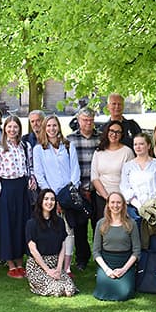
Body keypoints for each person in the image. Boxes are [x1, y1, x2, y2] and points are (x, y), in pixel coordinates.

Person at [33, 115, 82, 277]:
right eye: (48, 126)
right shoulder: (39, 149)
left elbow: (75, 171)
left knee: (69, 231)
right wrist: (52, 197)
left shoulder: (68, 146)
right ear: (44, 128)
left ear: (59, 127)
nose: (52, 129)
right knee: (53, 230)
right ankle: (53, 264)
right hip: (50, 197)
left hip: (68, 196)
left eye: (54, 126)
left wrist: (68, 194)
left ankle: (67, 267)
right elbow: (40, 175)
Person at [0, 115, 33, 277]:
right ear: (5, 128)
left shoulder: (25, 146)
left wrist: (31, 179)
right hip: (7, 188)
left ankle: (20, 262)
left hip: (22, 187)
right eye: (9, 127)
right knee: (8, 224)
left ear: (19, 129)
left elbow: (30, 166)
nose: (12, 130)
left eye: (15, 127)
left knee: (22, 223)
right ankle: (10, 263)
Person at [25, 189, 77, 296]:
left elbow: (63, 246)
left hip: (55, 262)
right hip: (37, 265)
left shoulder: (59, 222)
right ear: (40, 202)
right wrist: (47, 270)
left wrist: (58, 268)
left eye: (52, 199)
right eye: (46, 199)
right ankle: (35, 284)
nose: (49, 202)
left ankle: (53, 280)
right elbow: (33, 250)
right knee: (57, 290)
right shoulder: (31, 223)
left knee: (69, 290)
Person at [92, 192, 142, 301]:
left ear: (124, 205)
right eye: (113, 202)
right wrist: (107, 270)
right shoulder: (101, 224)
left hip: (125, 263)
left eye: (119, 202)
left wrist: (124, 269)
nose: (115, 205)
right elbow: (96, 251)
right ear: (108, 205)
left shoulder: (131, 224)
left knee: (124, 292)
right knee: (103, 291)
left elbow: (136, 251)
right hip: (106, 263)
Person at [68, 107, 101, 271]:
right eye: (84, 120)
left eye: (90, 120)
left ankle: (99, 257)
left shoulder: (100, 139)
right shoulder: (70, 140)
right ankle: (82, 258)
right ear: (78, 120)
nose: (88, 123)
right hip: (79, 191)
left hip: (97, 190)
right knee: (80, 228)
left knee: (99, 226)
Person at [120, 133, 156, 236]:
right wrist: (139, 206)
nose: (138, 147)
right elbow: (125, 188)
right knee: (138, 242)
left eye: (141, 144)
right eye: (135, 144)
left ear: (148, 146)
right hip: (135, 209)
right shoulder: (128, 166)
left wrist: (153, 203)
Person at [90, 120, 134, 221]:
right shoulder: (99, 152)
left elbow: (131, 178)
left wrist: (116, 199)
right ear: (107, 132)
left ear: (122, 135)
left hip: (121, 199)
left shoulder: (127, 152)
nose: (114, 134)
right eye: (112, 131)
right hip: (102, 198)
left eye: (118, 132)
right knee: (104, 229)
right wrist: (107, 197)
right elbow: (94, 177)